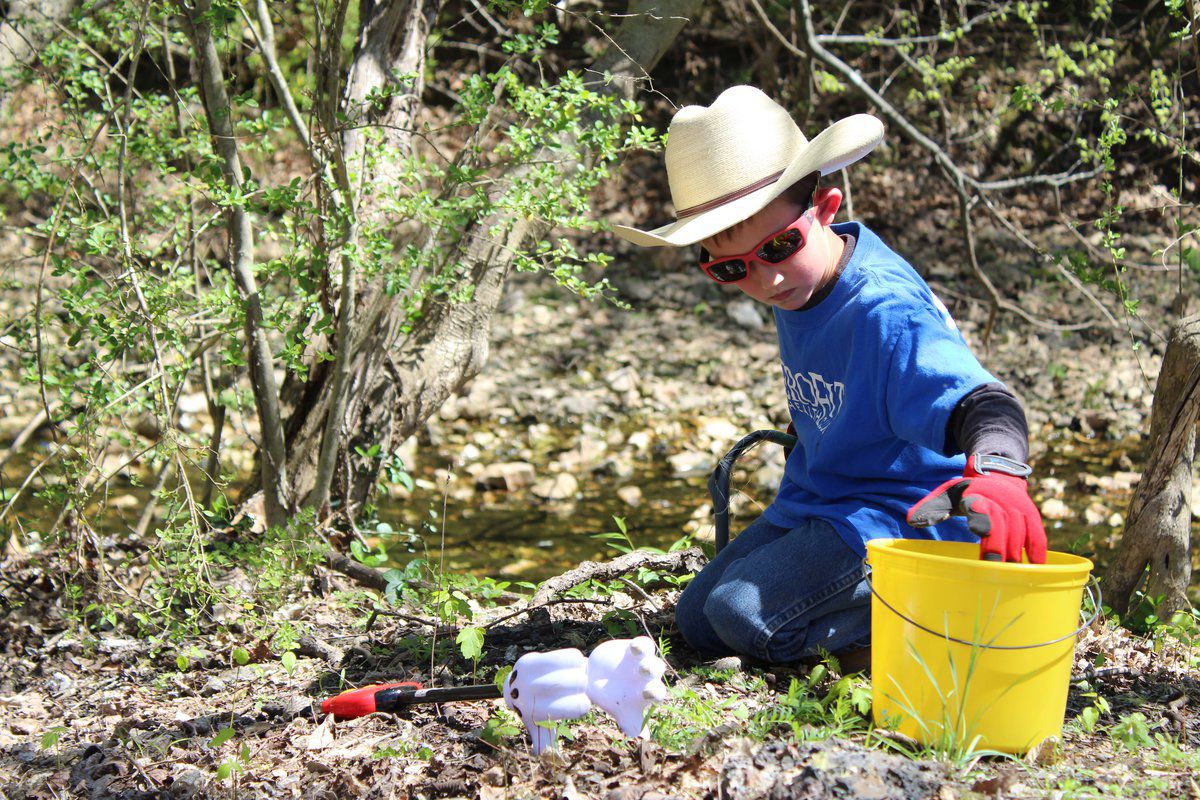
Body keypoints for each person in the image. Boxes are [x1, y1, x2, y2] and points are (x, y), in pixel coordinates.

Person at [613, 85, 1046, 666]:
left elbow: (984, 403)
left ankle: (922, 624)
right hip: (820, 500)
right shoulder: (800, 279)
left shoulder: (886, 311)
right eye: (732, 268)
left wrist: (1000, 473)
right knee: (698, 617)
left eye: (780, 246)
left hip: (903, 514)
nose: (765, 281)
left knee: (741, 613)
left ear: (825, 209)